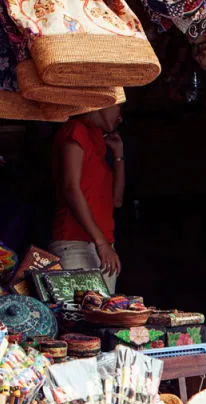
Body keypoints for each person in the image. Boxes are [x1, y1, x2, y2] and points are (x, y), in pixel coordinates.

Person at [49, 104, 125, 293]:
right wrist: (101, 243)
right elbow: (70, 188)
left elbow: (117, 201)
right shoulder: (75, 129)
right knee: (80, 319)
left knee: (104, 318)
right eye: (119, 109)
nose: (120, 117)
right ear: (103, 104)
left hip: (104, 248)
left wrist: (118, 154)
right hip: (75, 244)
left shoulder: (97, 139)